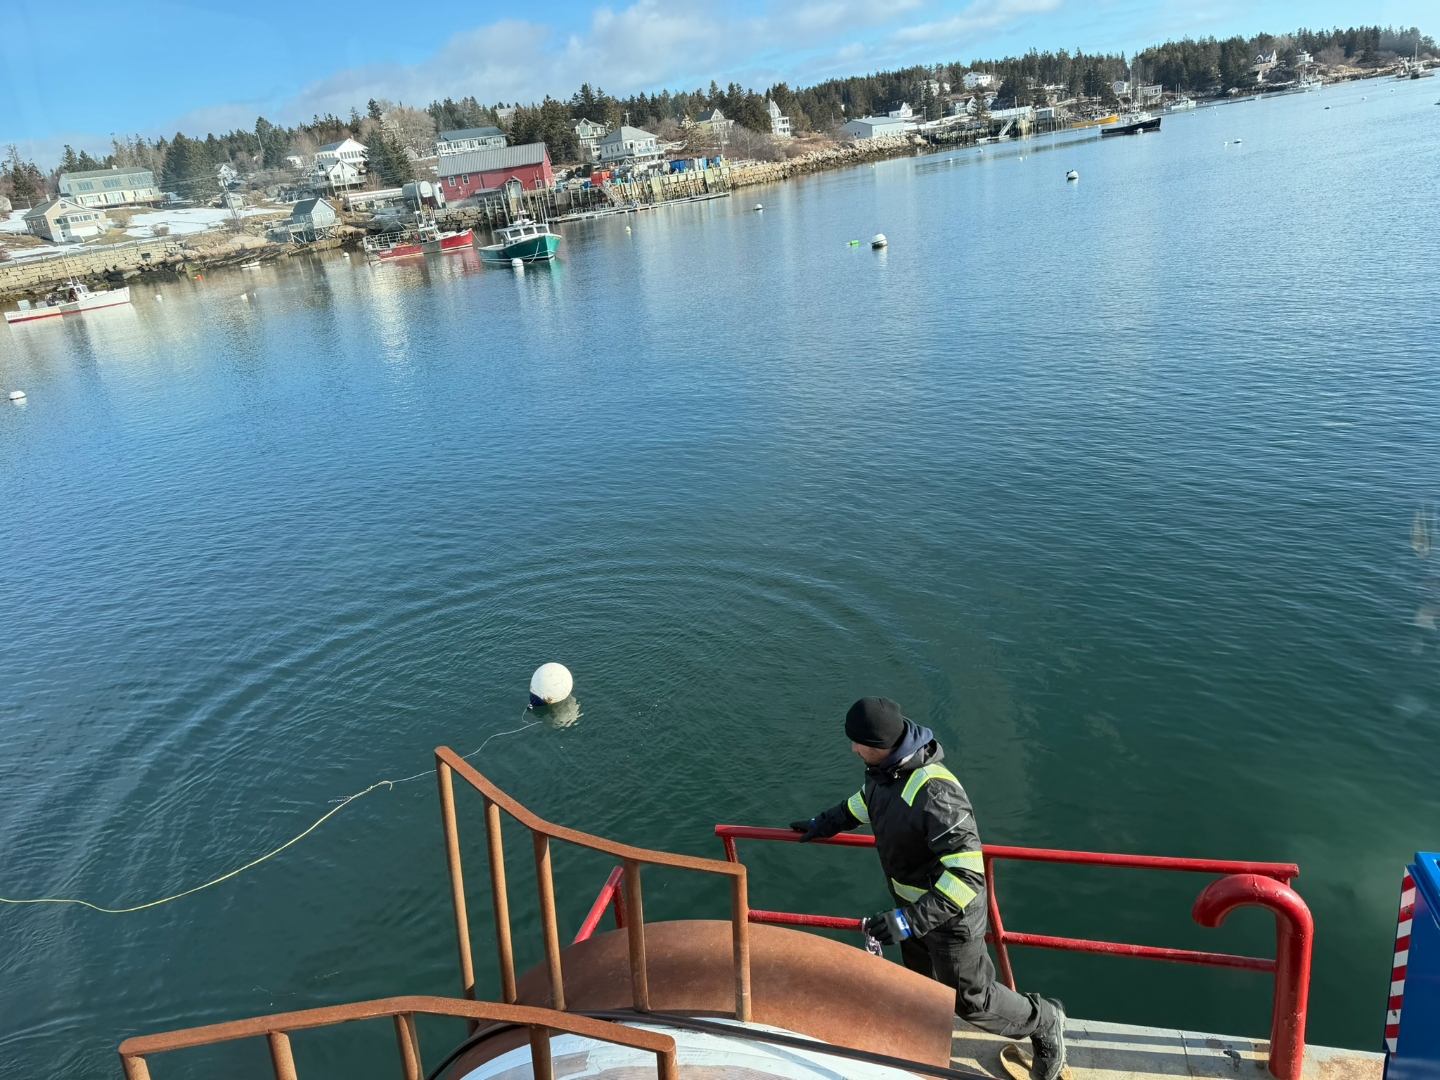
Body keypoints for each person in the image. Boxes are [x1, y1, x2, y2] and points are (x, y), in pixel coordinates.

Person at [790, 697, 1066, 1080]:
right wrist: (825, 822)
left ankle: (1044, 1020)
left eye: (857, 742)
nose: (852, 749)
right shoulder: (885, 770)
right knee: (920, 987)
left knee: (973, 1002)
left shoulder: (936, 794)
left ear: (880, 743)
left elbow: (968, 877)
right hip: (912, 911)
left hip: (949, 918)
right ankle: (922, 1048)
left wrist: (907, 921)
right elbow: (869, 803)